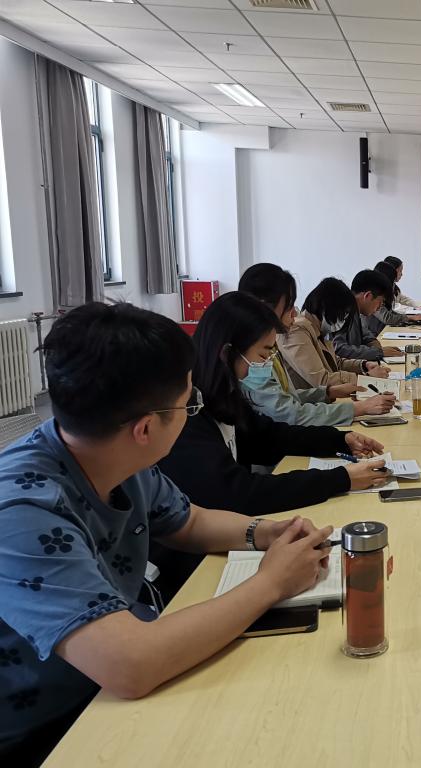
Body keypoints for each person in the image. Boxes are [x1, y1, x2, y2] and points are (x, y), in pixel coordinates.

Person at [0, 303, 337, 766]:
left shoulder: (110, 450)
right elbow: (130, 665)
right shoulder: (23, 511)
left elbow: (189, 522)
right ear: (145, 428)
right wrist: (272, 583)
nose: (190, 414)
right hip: (52, 725)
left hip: (111, 680)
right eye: (187, 405)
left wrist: (268, 532)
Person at [158, 291, 392, 518]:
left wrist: (340, 440)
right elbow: (238, 493)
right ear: (227, 353)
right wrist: (340, 479)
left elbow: (268, 436)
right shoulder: (188, 410)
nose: (266, 364)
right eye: (263, 355)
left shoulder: (224, 394)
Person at [237, 264, 395, 425]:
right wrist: (359, 402)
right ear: (263, 306)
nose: (294, 313)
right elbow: (291, 411)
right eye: (289, 306)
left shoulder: (314, 331)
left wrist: (328, 392)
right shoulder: (294, 332)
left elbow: (287, 396)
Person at [278, 277, 391, 391]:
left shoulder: (317, 329)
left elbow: (334, 363)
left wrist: (363, 365)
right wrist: (366, 378)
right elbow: (322, 380)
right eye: (342, 314)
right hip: (311, 400)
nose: (343, 320)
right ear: (327, 307)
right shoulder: (297, 331)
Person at [330, 269, 403, 361]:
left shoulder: (354, 309)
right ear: (368, 296)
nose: (379, 308)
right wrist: (377, 352)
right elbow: (338, 349)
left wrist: (373, 341)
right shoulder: (342, 311)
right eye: (381, 302)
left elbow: (363, 331)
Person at [364, 261, 421, 335]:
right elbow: (386, 318)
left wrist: (410, 317)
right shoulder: (374, 295)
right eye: (392, 281)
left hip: (381, 331)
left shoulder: (384, 292)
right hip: (375, 334)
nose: (392, 284)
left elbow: (390, 312)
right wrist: (409, 317)